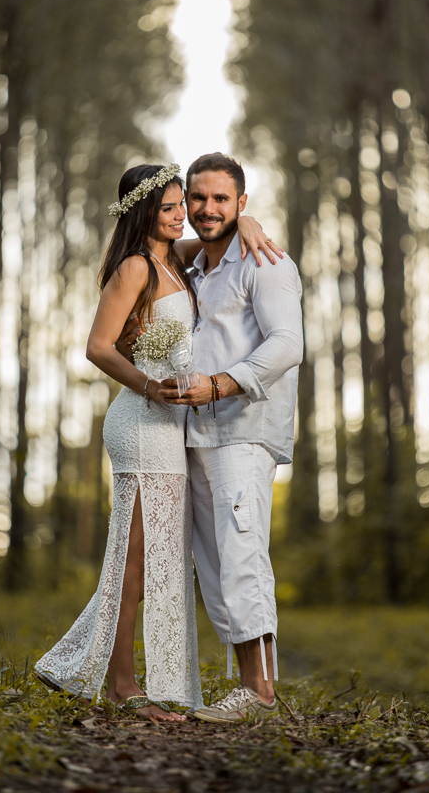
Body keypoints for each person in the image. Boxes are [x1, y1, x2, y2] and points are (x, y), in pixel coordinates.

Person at [34, 163, 280, 722]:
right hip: (141, 424)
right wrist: (147, 384)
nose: (183, 214)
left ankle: (108, 671)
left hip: (173, 429)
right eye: (170, 207)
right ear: (146, 211)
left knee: (161, 559)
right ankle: (121, 686)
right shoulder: (135, 268)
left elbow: (224, 227)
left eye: (181, 206)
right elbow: (98, 347)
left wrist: (251, 222)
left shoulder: (177, 261)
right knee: (136, 562)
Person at [161, 153, 303, 723]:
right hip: (196, 436)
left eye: (222, 199)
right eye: (198, 198)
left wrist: (222, 384)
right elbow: (167, 246)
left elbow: (288, 343)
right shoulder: (197, 269)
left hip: (244, 430)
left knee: (243, 552)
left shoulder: (265, 262)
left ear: (243, 203)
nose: (207, 209)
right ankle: (245, 687)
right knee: (215, 563)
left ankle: (261, 691)